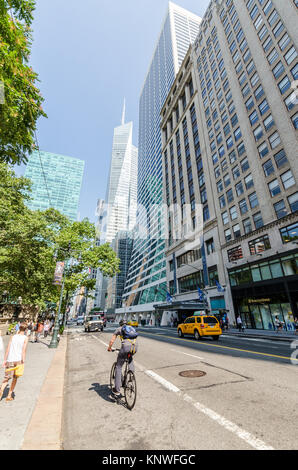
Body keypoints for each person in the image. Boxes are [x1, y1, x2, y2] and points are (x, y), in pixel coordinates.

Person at [107, 319, 138, 398]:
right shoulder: (131, 328)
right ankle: (131, 376)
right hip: (135, 347)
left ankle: (117, 390)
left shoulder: (119, 329)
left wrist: (109, 348)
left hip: (125, 347)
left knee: (118, 366)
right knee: (130, 358)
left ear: (120, 324)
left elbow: (112, 340)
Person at [0, 322, 28, 402]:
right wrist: (23, 361)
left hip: (10, 359)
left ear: (19, 328)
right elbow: (23, 351)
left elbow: (8, 349)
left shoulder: (13, 337)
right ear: (25, 329)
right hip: (18, 360)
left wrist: (5, 360)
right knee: (15, 378)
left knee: (6, 378)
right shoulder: (25, 338)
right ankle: (9, 395)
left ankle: (1, 390)